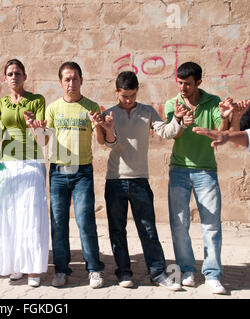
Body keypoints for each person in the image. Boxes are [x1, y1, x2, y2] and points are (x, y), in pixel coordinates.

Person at [103, 71, 186, 290]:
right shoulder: (109, 114)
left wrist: (177, 119)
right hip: (115, 180)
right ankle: (123, 272)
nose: (128, 100)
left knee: (148, 229)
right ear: (116, 92)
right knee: (117, 230)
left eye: (132, 95)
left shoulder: (147, 112)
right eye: (124, 96)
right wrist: (108, 129)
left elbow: (166, 132)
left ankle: (158, 273)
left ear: (137, 91)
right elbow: (109, 144)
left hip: (140, 180)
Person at [164, 62, 234, 294]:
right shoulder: (171, 104)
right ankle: (186, 270)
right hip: (178, 170)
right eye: (180, 83)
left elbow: (221, 129)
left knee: (211, 224)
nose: (183, 88)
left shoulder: (213, 101)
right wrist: (180, 122)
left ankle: (212, 275)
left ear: (199, 83)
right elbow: (173, 136)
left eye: (188, 84)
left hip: (206, 171)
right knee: (179, 225)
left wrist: (225, 116)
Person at [44, 61, 111, 289]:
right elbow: (44, 140)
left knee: (85, 221)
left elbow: (101, 142)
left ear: (81, 80)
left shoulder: (92, 107)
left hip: (83, 172)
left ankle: (94, 269)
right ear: (61, 82)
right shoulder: (52, 108)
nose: (71, 83)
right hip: (58, 172)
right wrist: (37, 129)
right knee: (58, 223)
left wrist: (99, 125)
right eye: (66, 79)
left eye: (75, 78)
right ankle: (61, 270)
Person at [0, 59, 49, 287]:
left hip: (31, 163)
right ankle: (14, 265)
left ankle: (33, 269)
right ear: (5, 78)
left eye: (18, 73)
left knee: (31, 216)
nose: (14, 77)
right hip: (8, 164)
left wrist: (35, 126)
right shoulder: (0, 103)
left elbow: (42, 139)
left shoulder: (36, 100)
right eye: (10, 74)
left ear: (25, 76)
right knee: (10, 215)